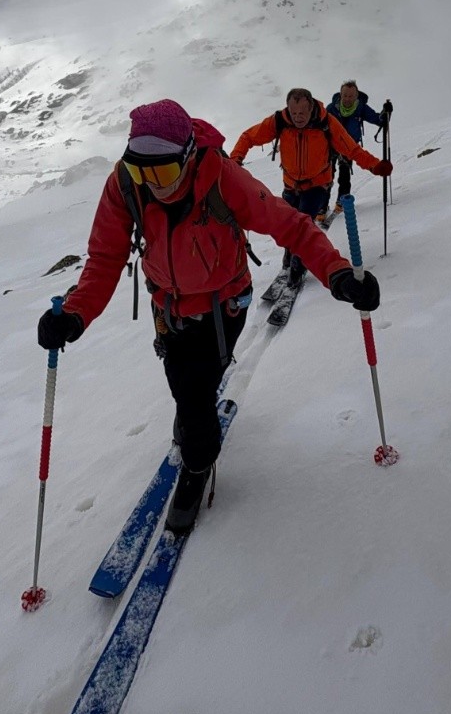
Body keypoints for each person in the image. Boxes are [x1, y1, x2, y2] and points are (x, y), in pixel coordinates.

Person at [37, 99, 382, 535]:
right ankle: (194, 421)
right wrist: (74, 315)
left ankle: (197, 466)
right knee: (185, 385)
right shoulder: (126, 183)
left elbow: (291, 226)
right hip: (167, 308)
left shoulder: (222, 176)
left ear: (187, 156)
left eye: (161, 172)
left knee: (195, 390)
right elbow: (106, 258)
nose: (153, 185)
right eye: (142, 172)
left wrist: (337, 274)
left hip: (225, 306)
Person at [230, 87, 392, 284]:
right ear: (287, 108)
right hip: (290, 184)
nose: (298, 117)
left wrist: (374, 166)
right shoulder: (279, 121)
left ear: (311, 108)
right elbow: (248, 136)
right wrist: (235, 160)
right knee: (287, 225)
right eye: (294, 112)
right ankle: (289, 259)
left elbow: (352, 149)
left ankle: (296, 271)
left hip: (317, 185)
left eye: (302, 113)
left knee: (302, 225)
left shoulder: (326, 122)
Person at [325, 80, 390, 213]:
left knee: (344, 174)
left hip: (349, 147)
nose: (348, 99)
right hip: (331, 145)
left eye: (351, 96)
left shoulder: (361, 108)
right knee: (326, 175)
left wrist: (386, 113)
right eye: (345, 96)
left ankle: (341, 201)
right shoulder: (331, 108)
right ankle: (322, 204)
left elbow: (378, 120)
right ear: (341, 95)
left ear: (356, 96)